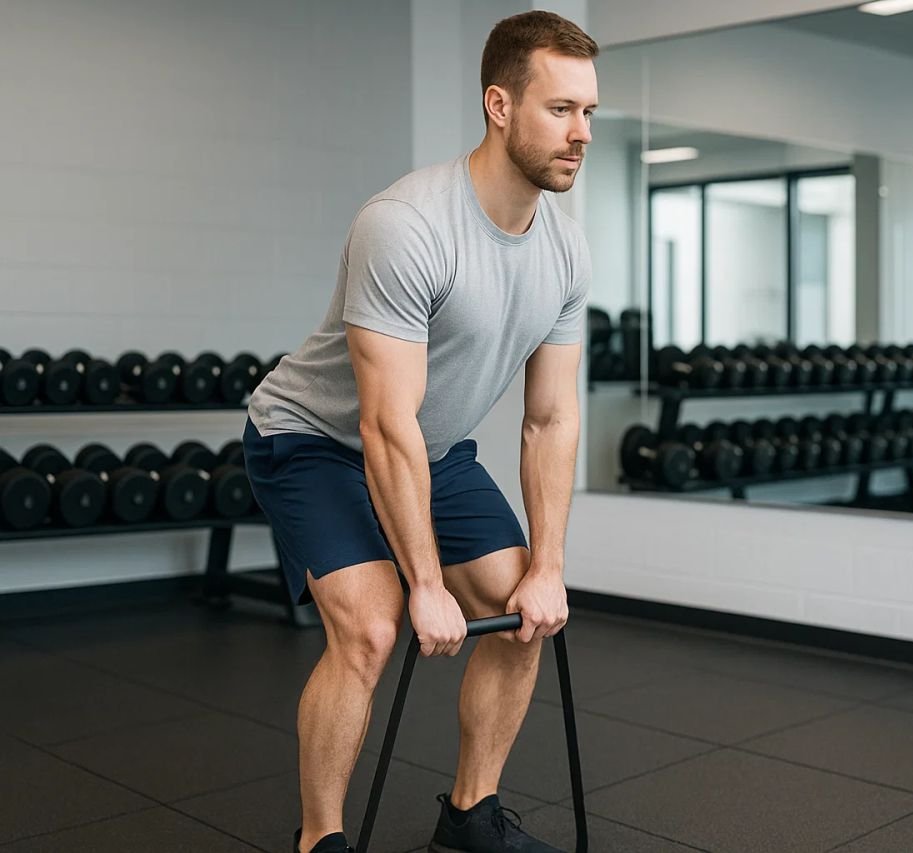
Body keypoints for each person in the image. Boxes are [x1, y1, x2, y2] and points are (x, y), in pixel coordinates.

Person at [241, 11, 597, 853]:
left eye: (589, 112)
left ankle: (470, 815)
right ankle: (320, 837)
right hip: (311, 438)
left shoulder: (568, 251)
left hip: (434, 449)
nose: (580, 134)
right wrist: (425, 582)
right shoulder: (407, 224)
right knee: (372, 625)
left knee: (523, 616)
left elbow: (549, 417)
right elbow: (382, 422)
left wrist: (548, 566)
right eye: (559, 110)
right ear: (499, 105)